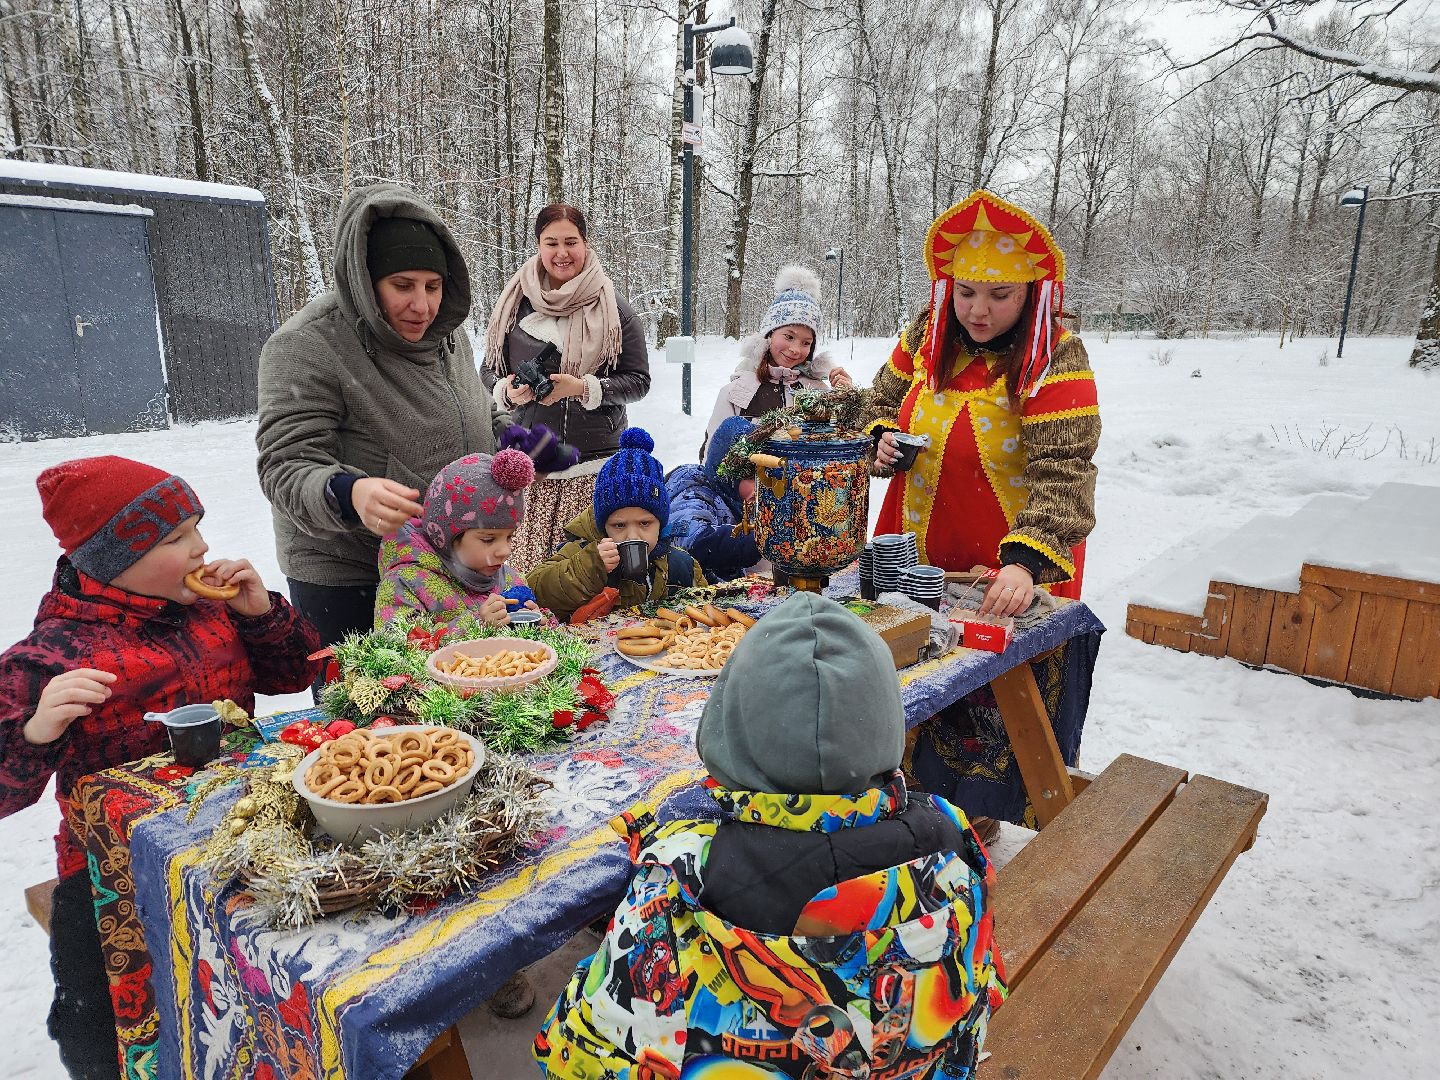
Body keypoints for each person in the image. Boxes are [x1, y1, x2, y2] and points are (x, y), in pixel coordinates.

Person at [533, 592, 1005, 1077]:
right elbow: (986, 978)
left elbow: (589, 1047)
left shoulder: (686, 876)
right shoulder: (948, 831)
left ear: (725, 731)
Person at [0, 456, 320, 1079]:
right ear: (114, 559)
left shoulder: (214, 611)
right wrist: (37, 729)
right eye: (176, 539)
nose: (202, 548)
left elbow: (297, 672)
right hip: (109, 869)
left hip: (239, 832)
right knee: (98, 1023)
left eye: (198, 527)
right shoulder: (53, 655)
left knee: (268, 989)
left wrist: (262, 614)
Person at [256, 183, 513, 656]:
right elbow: (285, 465)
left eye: (433, 287)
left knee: (458, 699)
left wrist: (513, 440)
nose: (422, 306)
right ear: (365, 281)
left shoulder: (445, 335)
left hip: (436, 558)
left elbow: (473, 408)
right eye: (402, 286)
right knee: (369, 710)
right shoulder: (306, 345)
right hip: (345, 569)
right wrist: (350, 493)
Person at [869, 189, 1100, 615]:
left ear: (1029, 293)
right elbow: (880, 399)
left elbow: (1066, 471)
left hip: (1006, 573)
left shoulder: (1055, 356)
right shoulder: (928, 335)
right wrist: (881, 437)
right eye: (966, 292)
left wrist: (1025, 563)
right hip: (913, 555)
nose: (978, 311)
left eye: (999, 295)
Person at [483, 203, 651, 573]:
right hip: (530, 467)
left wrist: (584, 387)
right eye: (551, 242)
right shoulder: (514, 304)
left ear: (586, 244)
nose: (562, 253)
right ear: (538, 246)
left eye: (571, 242)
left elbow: (638, 382)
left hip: (592, 468)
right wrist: (507, 390)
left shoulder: (614, 309)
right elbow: (489, 370)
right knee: (524, 583)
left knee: (585, 580)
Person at [529, 427, 706, 623]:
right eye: (619, 525)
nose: (632, 535)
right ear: (603, 525)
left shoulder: (680, 566)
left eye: (645, 523)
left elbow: (702, 616)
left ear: (660, 523)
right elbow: (535, 590)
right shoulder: (583, 551)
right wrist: (590, 565)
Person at [374, 448, 545, 630]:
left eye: (509, 537)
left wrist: (540, 626)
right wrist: (475, 627)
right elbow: (394, 648)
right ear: (447, 538)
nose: (505, 551)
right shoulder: (405, 585)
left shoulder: (511, 580)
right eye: (488, 539)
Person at [703, 265, 853, 454]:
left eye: (806, 342)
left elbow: (840, 447)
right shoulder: (737, 392)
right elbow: (713, 456)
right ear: (770, 334)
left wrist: (846, 400)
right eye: (789, 337)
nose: (796, 349)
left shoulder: (818, 391)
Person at [665, 415, 762, 582]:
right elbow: (691, 541)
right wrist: (762, 541)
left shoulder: (740, 499)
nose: (760, 487)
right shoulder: (695, 493)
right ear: (729, 476)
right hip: (690, 591)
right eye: (750, 478)